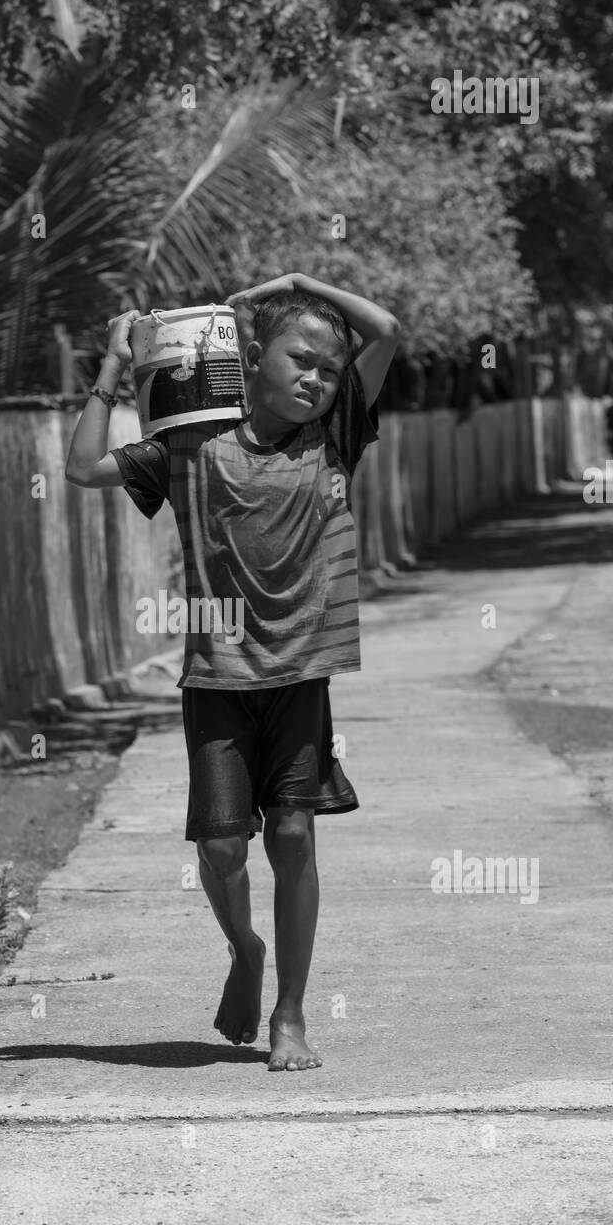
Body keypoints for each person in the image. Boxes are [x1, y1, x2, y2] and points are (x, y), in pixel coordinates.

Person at [65, 272, 399, 1070]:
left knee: (292, 833)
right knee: (221, 851)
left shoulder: (338, 434)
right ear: (253, 358)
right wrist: (112, 369)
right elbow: (82, 469)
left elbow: (384, 329)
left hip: (299, 675)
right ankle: (245, 950)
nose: (317, 378)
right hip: (216, 676)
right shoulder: (190, 444)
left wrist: (294, 283)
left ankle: (291, 1014)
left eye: (327, 366)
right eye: (301, 359)